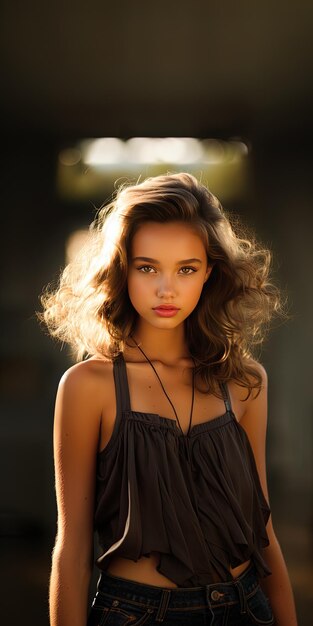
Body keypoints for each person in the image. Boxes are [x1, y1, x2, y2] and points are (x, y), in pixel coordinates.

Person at [40, 172, 298, 625]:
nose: (166, 289)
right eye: (147, 267)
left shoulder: (242, 380)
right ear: (122, 270)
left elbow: (262, 531)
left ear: (209, 274)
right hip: (137, 614)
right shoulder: (88, 386)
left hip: (244, 608)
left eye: (186, 269)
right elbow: (72, 549)